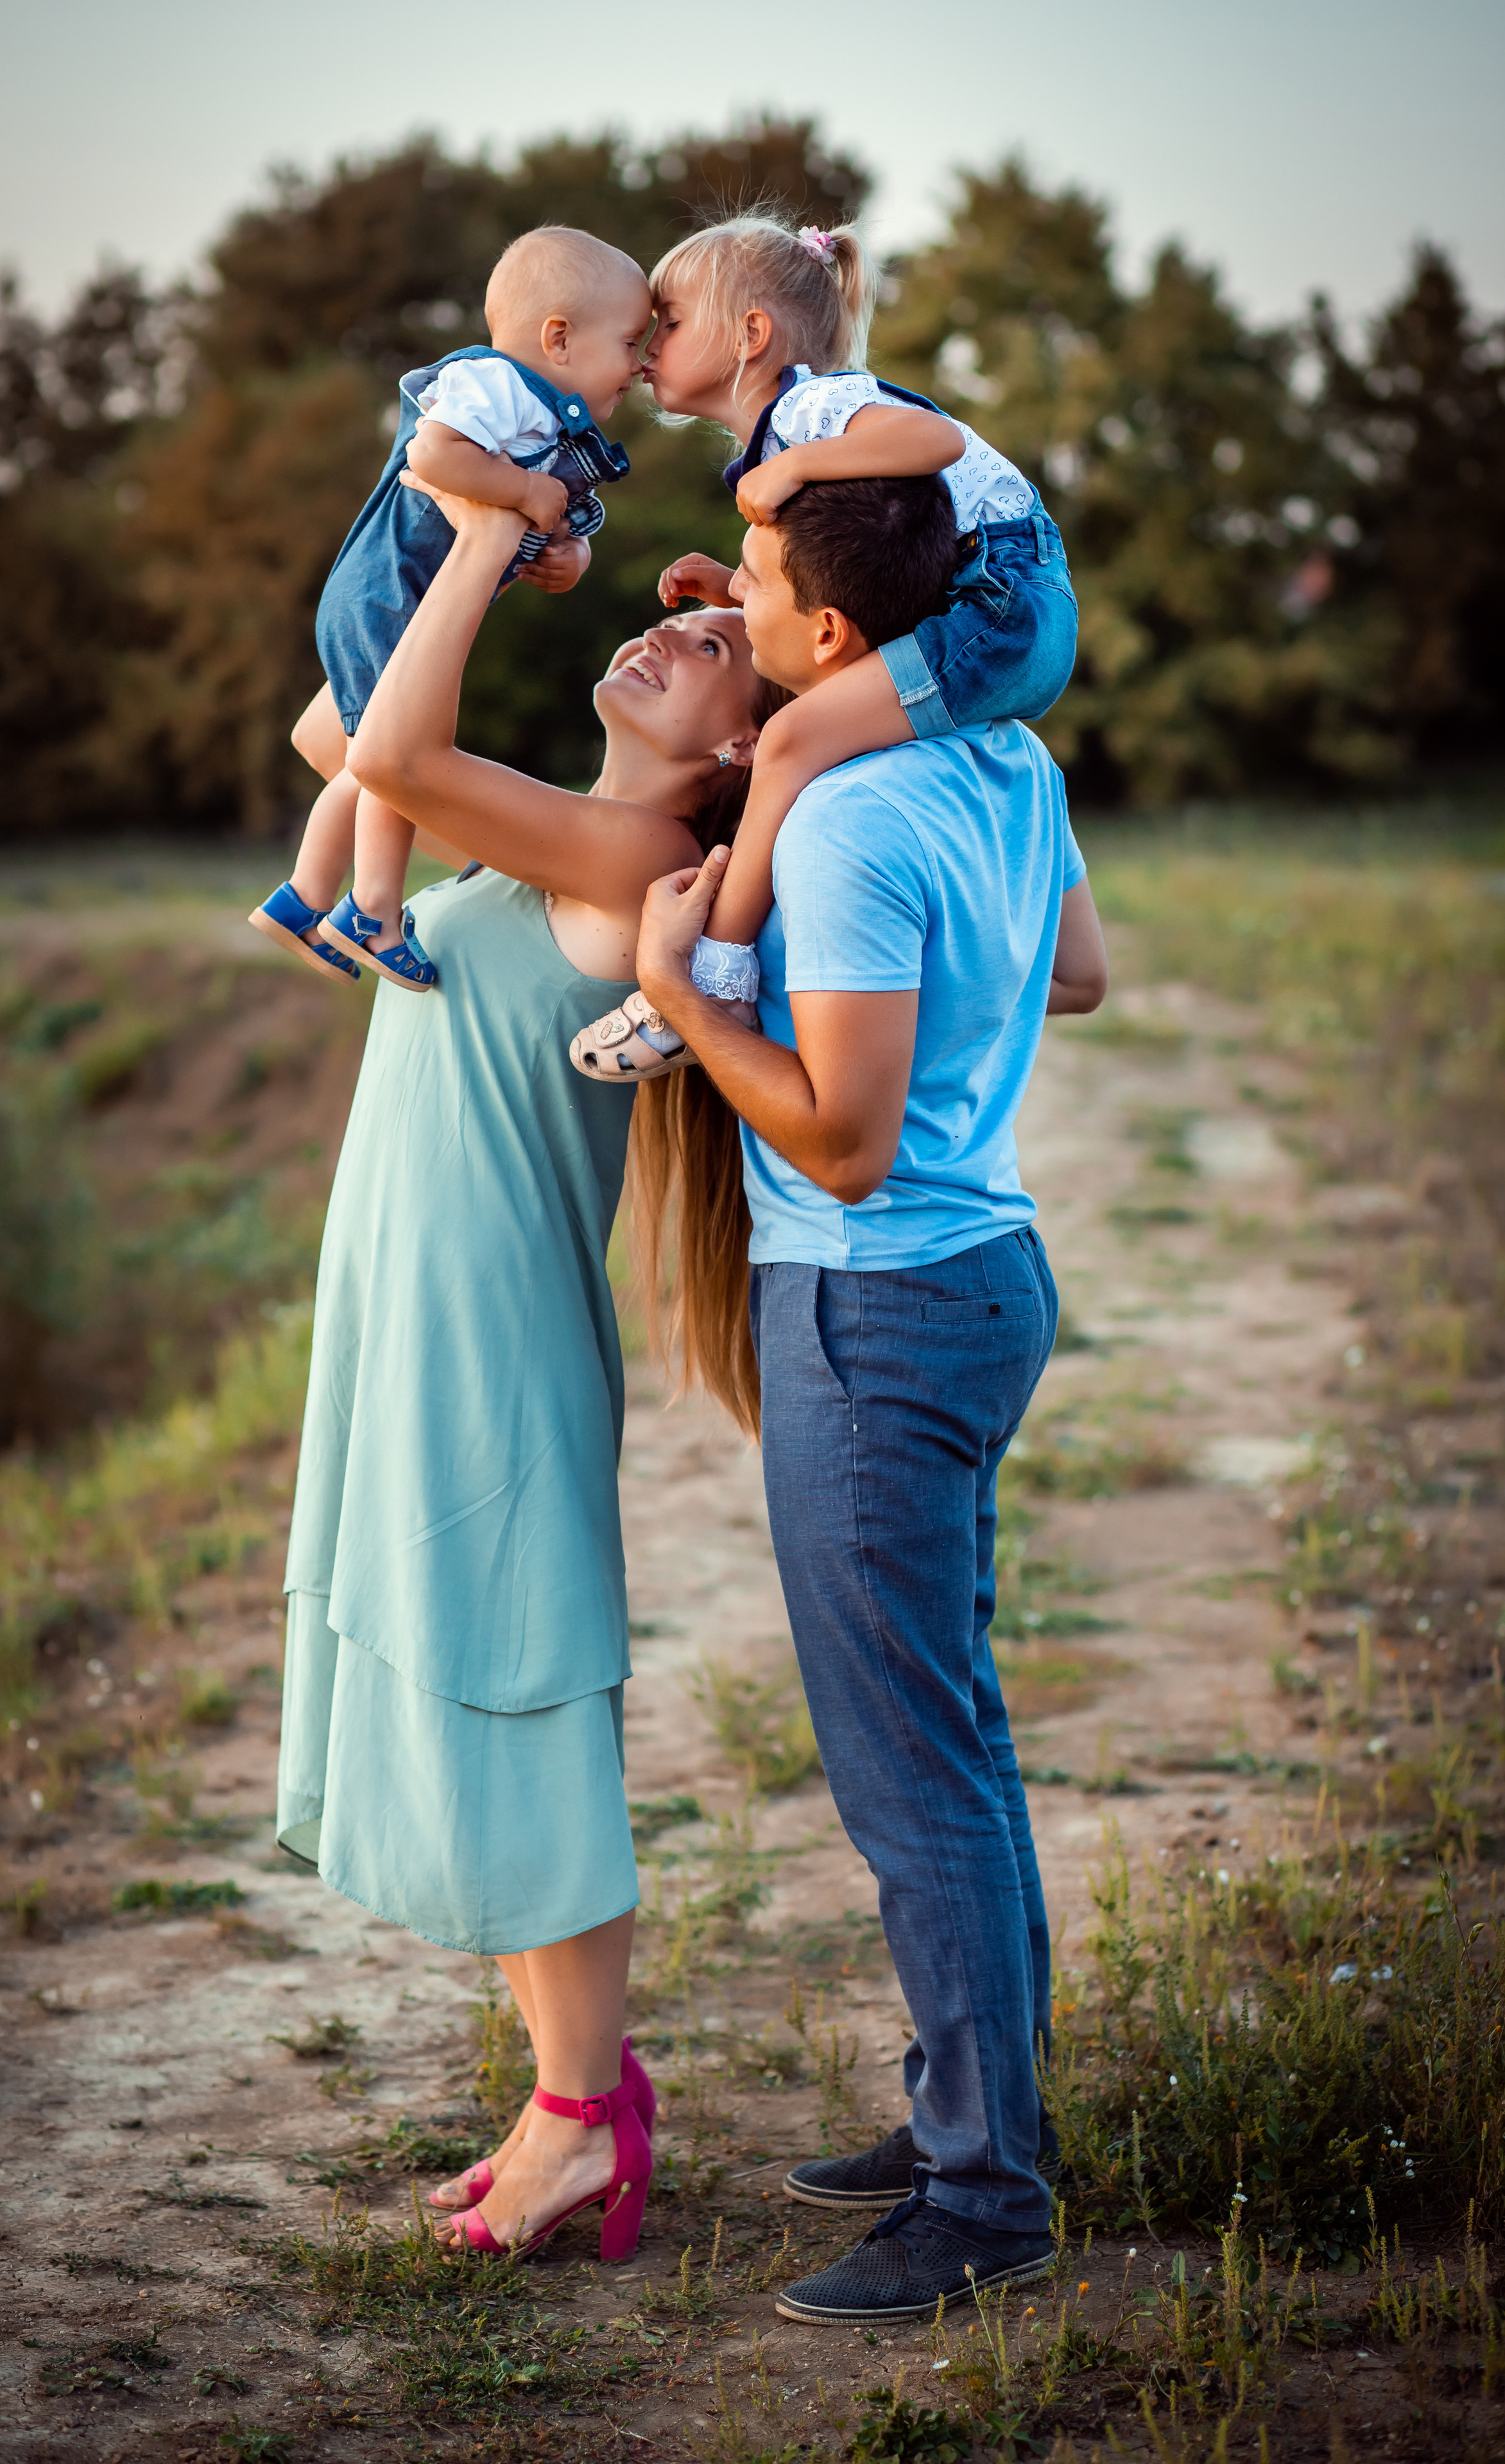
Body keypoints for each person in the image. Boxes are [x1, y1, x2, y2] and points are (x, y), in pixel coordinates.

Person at [275, 480, 780, 2264]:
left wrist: (493, 529)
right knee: (479, 1686)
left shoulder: (636, 865)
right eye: (673, 619)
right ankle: (574, 2096)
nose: (666, 634)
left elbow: (394, 747)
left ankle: (582, 2124)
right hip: (409, 1298)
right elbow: (339, 722)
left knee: (523, 1697)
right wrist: (429, 517)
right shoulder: (560, 831)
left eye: (717, 650)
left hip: (486, 1326)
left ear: (736, 761)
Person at [634, 470, 1110, 2324]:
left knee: (914, 1781)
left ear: (834, 639)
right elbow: (1077, 972)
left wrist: (686, 996)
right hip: (986, 1277)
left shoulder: (842, 820)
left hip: (880, 1301)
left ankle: (987, 2191)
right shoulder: (1008, 760)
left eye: (751, 579)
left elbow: (835, 1143)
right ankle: (970, 2119)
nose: (729, 599)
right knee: (954, 1743)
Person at [569, 210, 1076, 1081]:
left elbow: (936, 440)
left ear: (751, 335)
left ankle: (710, 982)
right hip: (989, 604)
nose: (650, 344)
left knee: (794, 739)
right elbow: (849, 595)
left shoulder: (815, 405)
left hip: (1007, 604)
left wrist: (799, 469)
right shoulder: (788, 429)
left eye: (673, 322)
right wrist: (740, 589)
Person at [250, 226, 649, 991]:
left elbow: (567, 523)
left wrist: (569, 556)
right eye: (631, 342)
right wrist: (526, 493)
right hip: (388, 592)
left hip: (412, 601)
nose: (639, 364)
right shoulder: (495, 385)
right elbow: (432, 456)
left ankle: (304, 898)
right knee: (397, 759)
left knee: (381, 760)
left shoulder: (559, 430)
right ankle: (367, 910)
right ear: (557, 339)